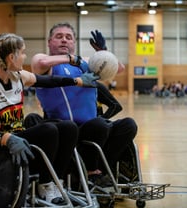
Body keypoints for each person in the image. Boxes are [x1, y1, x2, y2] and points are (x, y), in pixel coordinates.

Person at [0, 33, 99, 204]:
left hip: (19, 137)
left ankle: (54, 181)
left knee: (68, 127)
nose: (25, 56)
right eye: (22, 52)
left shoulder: (18, 75)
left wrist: (78, 81)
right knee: (48, 130)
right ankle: (45, 185)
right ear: (11, 57)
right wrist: (5, 138)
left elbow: (48, 80)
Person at [30, 23, 138, 187]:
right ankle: (88, 172)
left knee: (128, 125)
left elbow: (119, 68)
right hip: (65, 131)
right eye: (59, 37)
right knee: (98, 125)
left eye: (69, 37)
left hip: (92, 128)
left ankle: (103, 171)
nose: (64, 40)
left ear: (74, 43)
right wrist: (71, 59)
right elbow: (40, 63)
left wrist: (103, 52)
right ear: (49, 41)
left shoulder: (86, 63)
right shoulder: (47, 62)